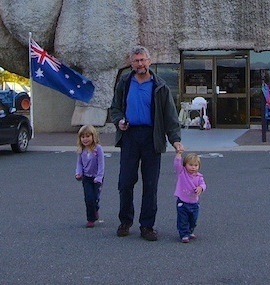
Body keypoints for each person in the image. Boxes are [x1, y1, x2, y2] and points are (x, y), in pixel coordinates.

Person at [110, 45, 183, 241]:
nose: (140, 64)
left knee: (150, 185)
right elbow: (115, 109)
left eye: (143, 60)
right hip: (130, 136)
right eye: (136, 60)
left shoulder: (160, 87)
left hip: (152, 138)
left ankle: (147, 226)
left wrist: (175, 140)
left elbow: (170, 116)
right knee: (125, 182)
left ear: (149, 62)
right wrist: (119, 122)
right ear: (131, 63)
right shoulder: (124, 83)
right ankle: (125, 222)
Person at [75, 124, 105, 228]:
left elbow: (101, 164)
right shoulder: (81, 150)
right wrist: (78, 173)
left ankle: (95, 208)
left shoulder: (98, 149)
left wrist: (99, 177)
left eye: (88, 136)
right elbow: (79, 163)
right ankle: (90, 219)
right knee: (88, 198)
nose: (85, 139)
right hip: (86, 178)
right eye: (83, 137)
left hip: (97, 177)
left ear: (93, 136)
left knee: (95, 197)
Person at [174, 151, 206, 243]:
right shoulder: (182, 173)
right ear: (185, 165)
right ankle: (184, 234)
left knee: (193, 219)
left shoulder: (199, 176)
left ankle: (190, 231)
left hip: (194, 202)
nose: (193, 167)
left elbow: (203, 184)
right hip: (182, 202)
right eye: (191, 165)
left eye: (196, 165)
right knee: (183, 219)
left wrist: (201, 188)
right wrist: (178, 154)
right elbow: (176, 164)